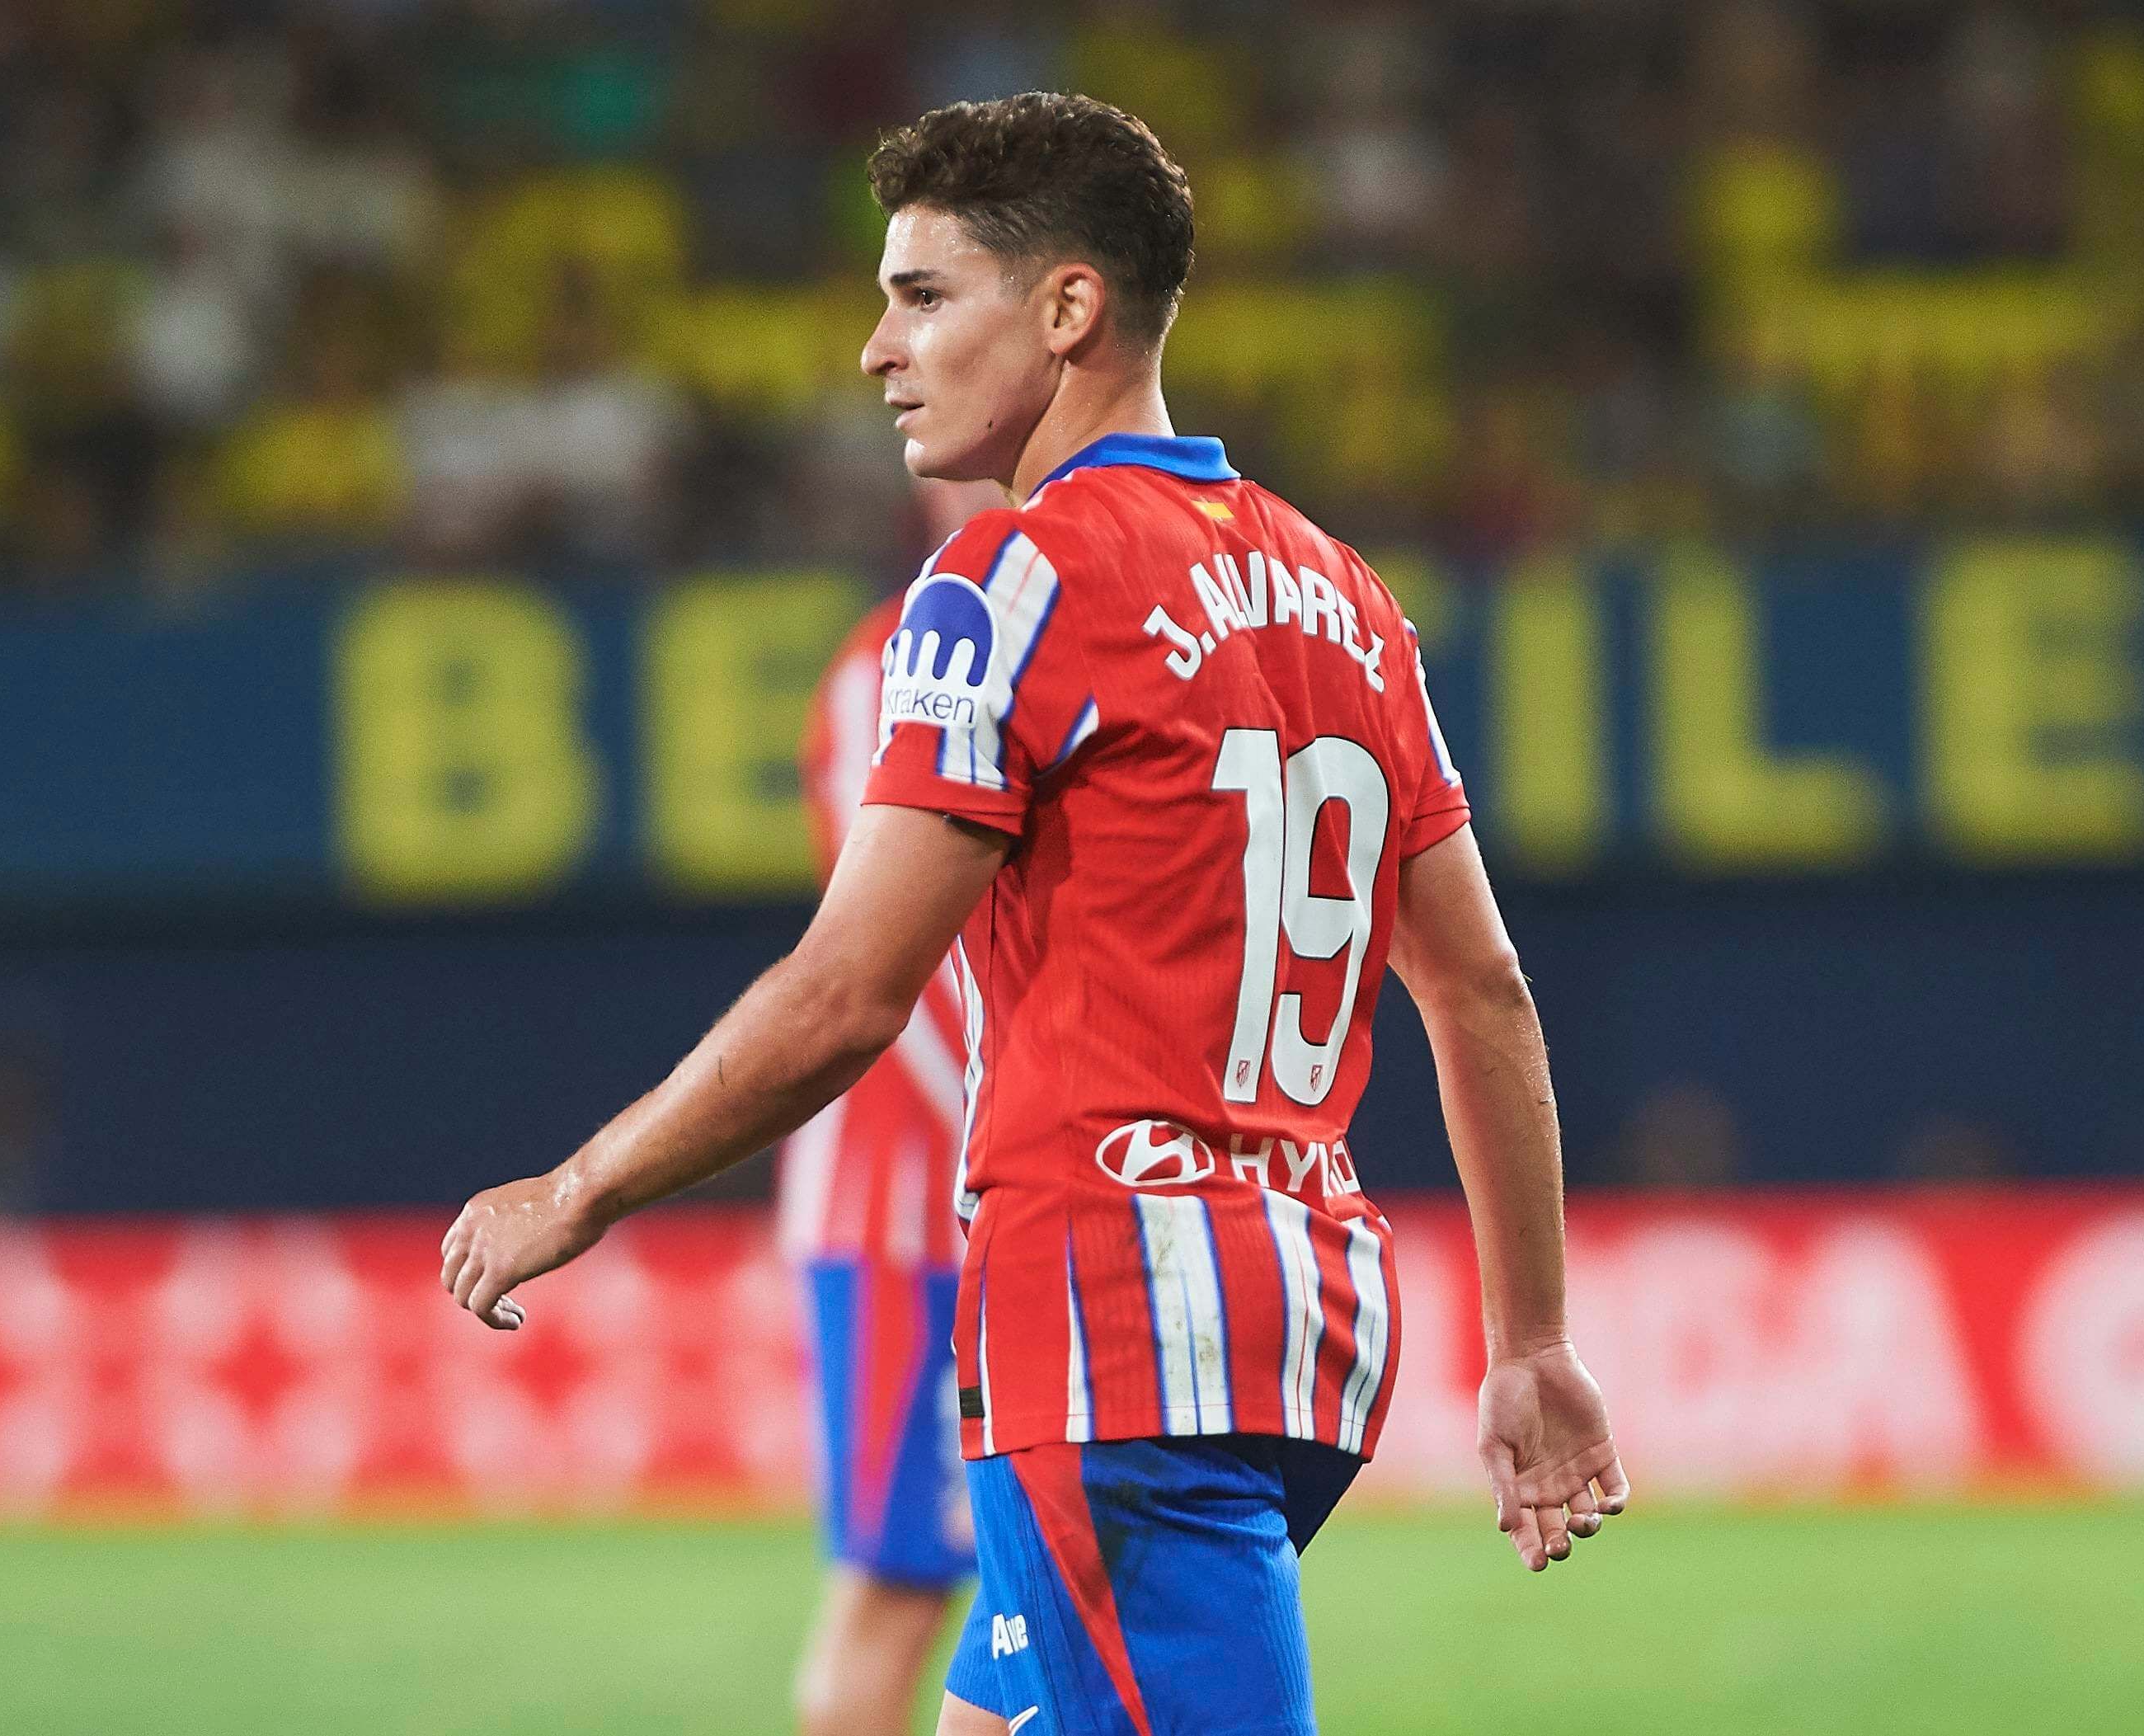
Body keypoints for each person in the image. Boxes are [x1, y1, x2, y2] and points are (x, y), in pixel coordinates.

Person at [444, 92, 1629, 1734]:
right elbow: (1480, 988)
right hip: (1305, 1317)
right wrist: (1531, 1335)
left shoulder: (1010, 580)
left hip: (1113, 1331)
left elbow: (848, 994)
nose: (876, 349)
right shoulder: (1350, 596)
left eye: (923, 296)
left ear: (1067, 308)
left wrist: (582, 1187)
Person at [783, 576, 980, 1736]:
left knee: (1009, 1589)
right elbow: (876, 970)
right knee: (899, 1590)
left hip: (974, 1203)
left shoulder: (1026, 627)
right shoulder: (900, 661)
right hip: (910, 1215)